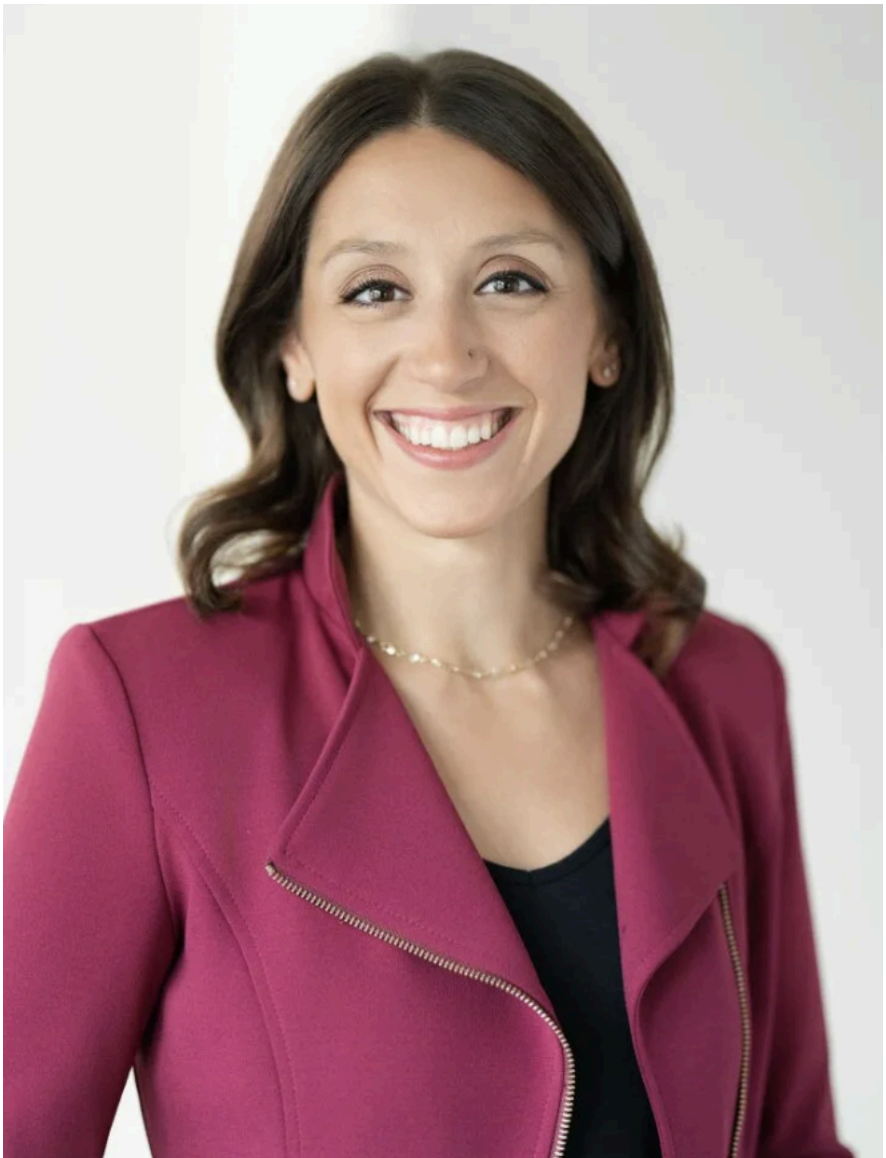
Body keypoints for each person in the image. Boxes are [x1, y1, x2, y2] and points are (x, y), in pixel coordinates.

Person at [4, 47, 854, 1158]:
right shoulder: (141, 705)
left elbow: (793, 1139)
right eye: (375, 291)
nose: (446, 355)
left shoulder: (720, 686)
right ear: (293, 347)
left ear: (604, 334)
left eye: (511, 281)